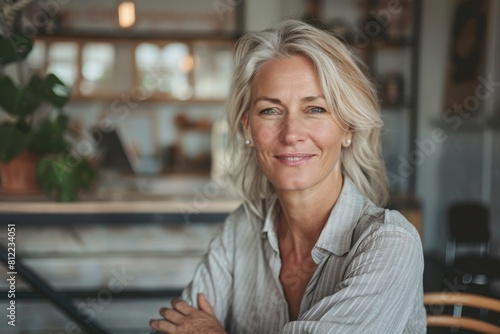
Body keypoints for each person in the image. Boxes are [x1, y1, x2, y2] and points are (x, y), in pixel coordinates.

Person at [150, 19, 426, 334]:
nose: (292, 133)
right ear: (248, 130)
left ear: (348, 128)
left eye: (316, 109)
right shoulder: (241, 229)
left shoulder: (389, 243)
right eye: (270, 110)